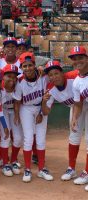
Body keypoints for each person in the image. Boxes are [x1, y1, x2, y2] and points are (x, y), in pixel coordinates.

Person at [41, 60, 85, 182]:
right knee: (74, 137)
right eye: (50, 75)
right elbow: (46, 112)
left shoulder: (74, 76)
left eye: (56, 73)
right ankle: (71, 169)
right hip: (75, 108)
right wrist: (44, 101)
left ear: (62, 72)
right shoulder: (50, 89)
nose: (54, 77)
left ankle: (86, 172)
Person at [13, 52, 53, 182]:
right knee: (28, 138)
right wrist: (17, 115)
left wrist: (41, 113)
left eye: (30, 65)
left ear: (35, 65)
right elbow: (17, 101)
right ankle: (28, 169)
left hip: (41, 106)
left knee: (41, 139)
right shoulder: (19, 81)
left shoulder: (43, 76)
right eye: (25, 66)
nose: (28, 68)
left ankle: (41, 169)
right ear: (21, 67)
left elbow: (56, 67)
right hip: (26, 109)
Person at [0, 64, 23, 177]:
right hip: (2, 111)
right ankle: (5, 163)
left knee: (18, 138)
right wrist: (4, 126)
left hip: (13, 110)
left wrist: (17, 115)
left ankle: (13, 161)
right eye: (9, 75)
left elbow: (17, 102)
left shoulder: (18, 84)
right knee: (6, 136)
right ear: (3, 76)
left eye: (14, 76)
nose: (12, 79)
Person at [69, 46, 88, 192]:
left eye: (80, 57)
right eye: (74, 59)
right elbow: (78, 103)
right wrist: (75, 118)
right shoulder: (76, 82)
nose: (77, 61)